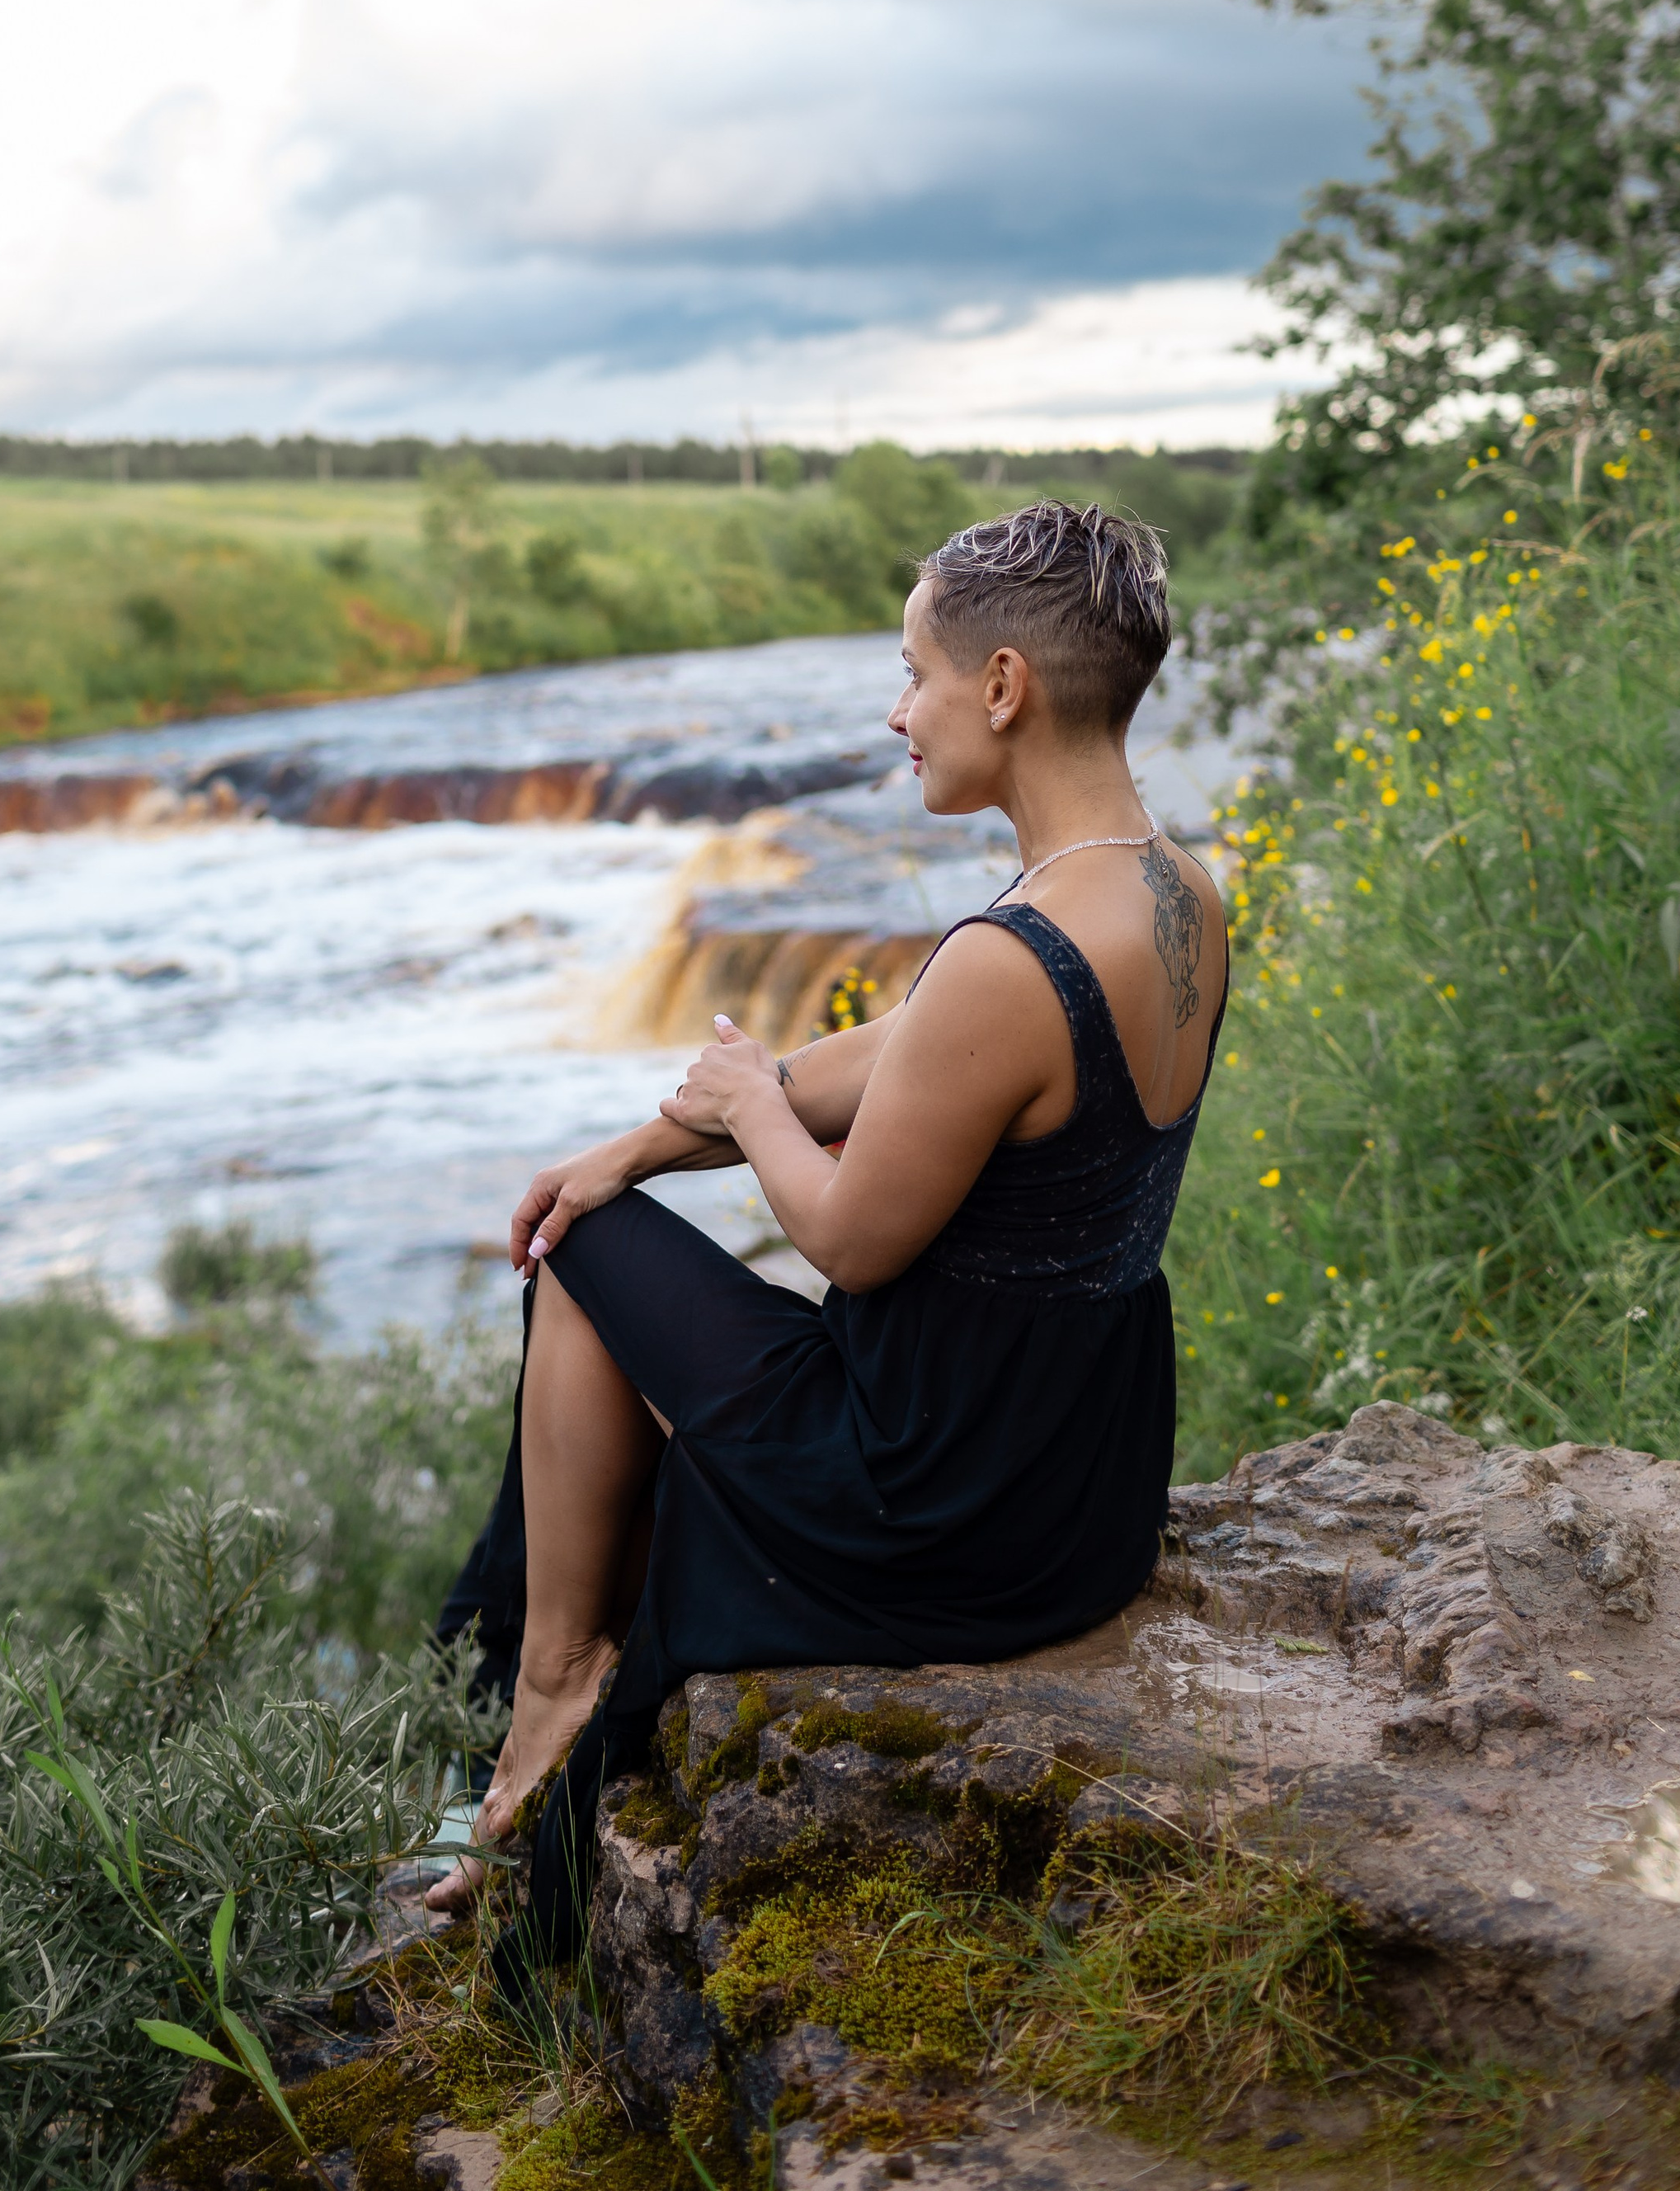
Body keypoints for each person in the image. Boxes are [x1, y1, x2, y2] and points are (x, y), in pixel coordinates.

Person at [427, 499, 1228, 1942]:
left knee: (582, 1259)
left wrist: (742, 1110)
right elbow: (895, 1062)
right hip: (1073, 1488)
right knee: (607, 1211)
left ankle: (551, 1689)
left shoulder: (1009, 953)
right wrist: (637, 1144)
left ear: (1002, 686)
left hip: (929, 1496)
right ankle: (549, 1676)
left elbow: (851, 1241)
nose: (895, 711)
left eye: (915, 672)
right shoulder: (1171, 891)